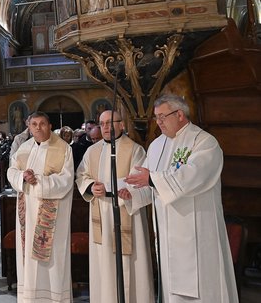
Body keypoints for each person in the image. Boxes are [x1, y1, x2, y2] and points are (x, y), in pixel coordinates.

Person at [123, 94, 239, 302]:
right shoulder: (156, 145)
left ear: (180, 115)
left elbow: (193, 176)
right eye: (156, 117)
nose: (158, 123)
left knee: (202, 288)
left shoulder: (203, 142)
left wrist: (151, 179)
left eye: (162, 116)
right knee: (172, 287)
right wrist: (131, 193)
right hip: (167, 234)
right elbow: (151, 184)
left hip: (197, 230)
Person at [75, 110, 154, 302]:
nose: (106, 128)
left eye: (111, 123)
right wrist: (91, 186)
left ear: (122, 125)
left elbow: (143, 181)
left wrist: (131, 193)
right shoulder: (92, 151)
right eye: (102, 124)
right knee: (104, 263)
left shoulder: (135, 150)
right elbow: (81, 176)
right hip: (101, 211)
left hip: (127, 211)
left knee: (130, 263)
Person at [7, 112, 74, 302]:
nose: (38, 127)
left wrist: (40, 182)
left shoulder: (63, 148)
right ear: (29, 127)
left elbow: (67, 179)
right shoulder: (23, 148)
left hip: (52, 214)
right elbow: (11, 172)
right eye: (34, 124)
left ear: (50, 125)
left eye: (42, 123)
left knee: (52, 259)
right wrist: (22, 177)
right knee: (28, 255)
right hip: (27, 212)